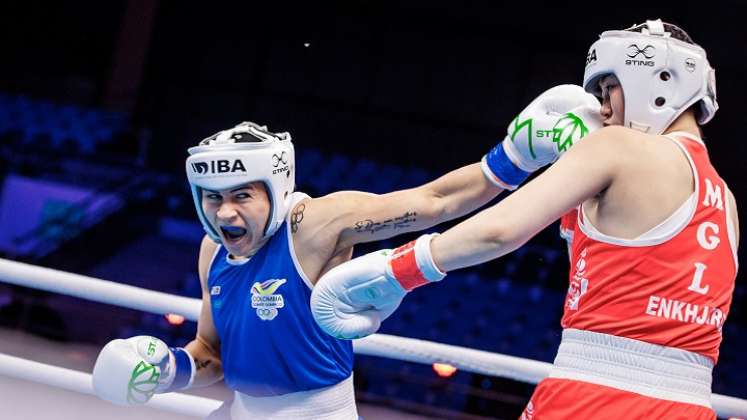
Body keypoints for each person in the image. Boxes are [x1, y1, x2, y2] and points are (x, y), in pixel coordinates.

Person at [89, 85, 602, 419]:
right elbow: (213, 354)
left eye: (242, 195)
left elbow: (434, 202)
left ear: (275, 187)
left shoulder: (315, 225)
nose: (226, 213)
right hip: (239, 409)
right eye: (215, 198)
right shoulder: (213, 253)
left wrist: (514, 156)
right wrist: (169, 369)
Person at [312, 19, 738, 419]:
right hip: (689, 406)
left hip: (593, 395)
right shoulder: (725, 200)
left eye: (609, 89)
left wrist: (396, 270)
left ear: (658, 82)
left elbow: (500, 231)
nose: (604, 109)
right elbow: (614, 272)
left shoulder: (618, 147)